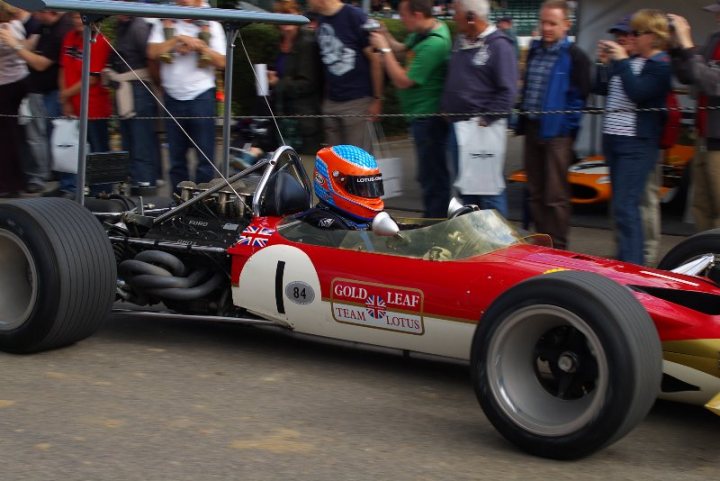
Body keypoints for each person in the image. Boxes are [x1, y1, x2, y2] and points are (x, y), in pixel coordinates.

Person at [595, 9, 672, 265]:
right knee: (620, 206)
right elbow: (601, 88)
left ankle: (634, 264)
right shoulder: (630, 61)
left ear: (653, 36)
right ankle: (625, 258)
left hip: (637, 143)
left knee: (627, 206)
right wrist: (604, 64)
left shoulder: (660, 65)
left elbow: (638, 92)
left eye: (636, 33)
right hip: (615, 139)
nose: (631, 38)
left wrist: (622, 62)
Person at [516, 0, 591, 249]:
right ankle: (541, 245)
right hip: (533, 127)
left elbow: (580, 97)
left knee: (555, 196)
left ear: (566, 25)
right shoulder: (535, 50)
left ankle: (559, 247)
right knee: (535, 192)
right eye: (543, 22)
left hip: (557, 133)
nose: (546, 27)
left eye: (552, 23)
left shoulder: (575, 56)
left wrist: (565, 127)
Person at [368, 0, 452, 218]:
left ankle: (435, 222)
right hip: (420, 117)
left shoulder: (434, 44)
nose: (402, 20)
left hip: (429, 119)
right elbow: (403, 49)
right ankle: (434, 218)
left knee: (432, 176)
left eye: (404, 16)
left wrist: (384, 49)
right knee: (427, 175)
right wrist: (386, 35)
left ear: (417, 14)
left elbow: (402, 80)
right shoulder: (424, 32)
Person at [440, 0, 518, 217]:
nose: (453, 17)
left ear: (471, 17)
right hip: (459, 128)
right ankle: (474, 242)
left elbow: (508, 91)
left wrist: (486, 119)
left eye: (456, 13)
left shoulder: (499, 45)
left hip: (481, 130)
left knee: (488, 191)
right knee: (466, 190)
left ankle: (500, 245)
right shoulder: (461, 41)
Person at [147, 0, 226, 190]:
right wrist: (177, 40)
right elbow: (151, 52)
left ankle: (202, 205)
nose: (182, 4)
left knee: (205, 158)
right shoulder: (166, 19)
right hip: (172, 97)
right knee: (176, 160)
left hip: (202, 96)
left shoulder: (212, 22)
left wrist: (199, 46)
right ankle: (178, 204)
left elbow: (223, 61)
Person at [0, 10, 71, 195]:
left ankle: (43, 177)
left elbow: (40, 63)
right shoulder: (44, 26)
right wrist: (22, 45)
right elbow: (30, 45)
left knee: (40, 137)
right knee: (35, 135)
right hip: (34, 88)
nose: (35, 16)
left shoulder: (61, 30)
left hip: (49, 90)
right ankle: (55, 179)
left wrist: (15, 45)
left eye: (40, 13)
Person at [307, 0, 383, 152]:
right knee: (336, 162)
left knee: (358, 162)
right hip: (331, 101)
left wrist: (377, 99)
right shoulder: (321, 20)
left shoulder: (355, 17)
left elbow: (376, 59)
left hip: (357, 101)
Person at [669, 5, 720, 232]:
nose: (716, 17)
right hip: (704, 137)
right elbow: (690, 75)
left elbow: (713, 84)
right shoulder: (714, 39)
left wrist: (688, 44)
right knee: (701, 207)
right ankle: (707, 259)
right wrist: (676, 47)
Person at [51, 11, 113, 197]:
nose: (77, 20)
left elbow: (92, 78)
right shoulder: (69, 37)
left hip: (94, 107)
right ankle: (70, 187)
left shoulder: (100, 41)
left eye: (81, 17)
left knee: (98, 149)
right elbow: (63, 67)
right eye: (74, 17)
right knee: (70, 147)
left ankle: (101, 190)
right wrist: (66, 98)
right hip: (72, 104)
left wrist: (65, 95)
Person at [108, 13, 161, 192]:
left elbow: (151, 59)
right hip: (125, 87)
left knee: (141, 139)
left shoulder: (139, 26)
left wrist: (157, 85)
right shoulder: (122, 25)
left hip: (139, 88)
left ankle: (145, 181)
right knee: (128, 139)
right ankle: (135, 177)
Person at [267, 0, 323, 156]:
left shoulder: (307, 42)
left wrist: (279, 83)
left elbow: (308, 83)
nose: (285, 19)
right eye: (281, 15)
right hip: (283, 116)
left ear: (298, 14)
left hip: (304, 119)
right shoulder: (278, 43)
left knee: (303, 167)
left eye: (288, 13)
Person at [301, 145, 385, 230]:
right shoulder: (321, 224)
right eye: (360, 188)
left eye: (371, 187)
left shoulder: (380, 219)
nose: (368, 193)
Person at [0, 1, 29, 197]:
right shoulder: (16, 26)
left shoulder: (4, 31)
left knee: (6, 138)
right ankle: (14, 182)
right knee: (12, 136)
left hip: (6, 86)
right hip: (16, 82)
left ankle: (10, 184)